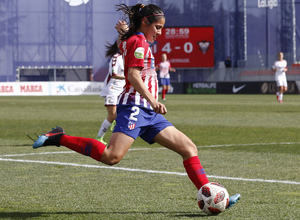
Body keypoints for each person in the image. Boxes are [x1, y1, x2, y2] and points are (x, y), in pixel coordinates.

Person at [30, 3, 240, 209]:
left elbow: (124, 44)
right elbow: (133, 75)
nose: (159, 33)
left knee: (189, 148)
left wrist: (124, 33)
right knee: (112, 156)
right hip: (135, 107)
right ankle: (59, 137)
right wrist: (153, 99)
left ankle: (212, 196)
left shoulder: (135, 40)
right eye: (157, 27)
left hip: (149, 112)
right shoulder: (139, 42)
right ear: (145, 22)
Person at [96, 41, 125, 145]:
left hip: (122, 90)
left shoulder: (128, 58)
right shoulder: (116, 57)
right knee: (112, 115)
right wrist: (129, 77)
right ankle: (98, 138)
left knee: (122, 114)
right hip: (112, 89)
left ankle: (114, 125)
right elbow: (113, 74)